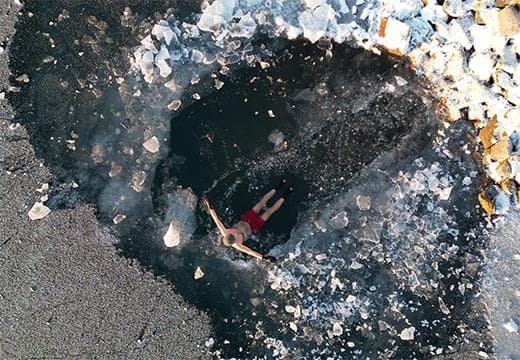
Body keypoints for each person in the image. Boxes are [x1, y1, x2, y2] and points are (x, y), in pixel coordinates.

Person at [203, 181, 293, 263]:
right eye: (236, 236)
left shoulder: (225, 231)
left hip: (246, 219)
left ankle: (279, 186)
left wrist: (210, 207)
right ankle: (286, 194)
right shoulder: (238, 245)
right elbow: (250, 251)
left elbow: (216, 220)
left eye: (234, 234)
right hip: (253, 227)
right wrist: (264, 257)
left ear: (228, 234)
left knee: (261, 203)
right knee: (269, 212)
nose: (237, 234)